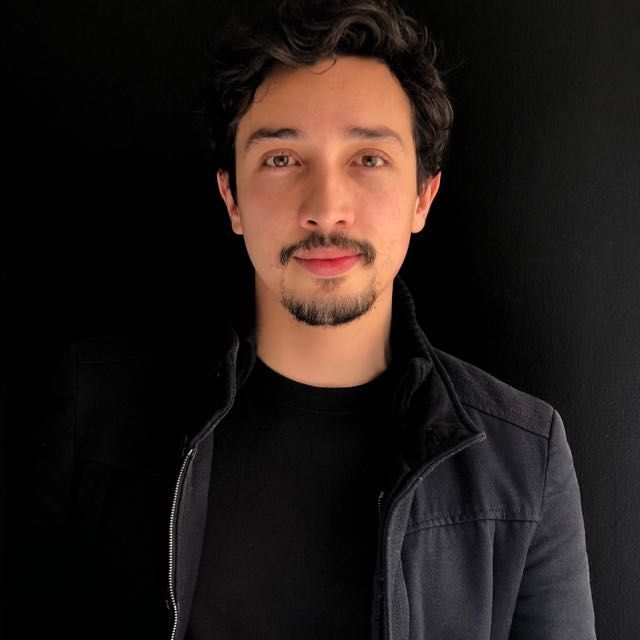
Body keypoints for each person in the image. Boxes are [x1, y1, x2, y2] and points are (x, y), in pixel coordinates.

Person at [23, 0, 596, 638]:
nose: (326, 207)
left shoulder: (525, 458)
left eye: (368, 158)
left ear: (422, 196)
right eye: (282, 158)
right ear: (231, 197)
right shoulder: (97, 410)